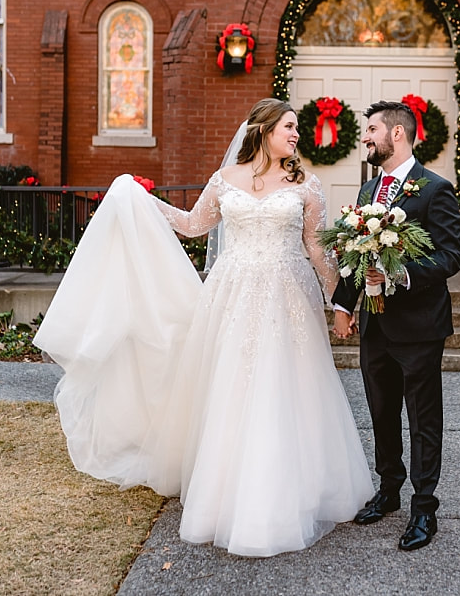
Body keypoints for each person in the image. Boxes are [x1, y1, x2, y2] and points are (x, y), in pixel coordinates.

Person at [34, 98, 373, 558]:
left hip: (287, 299)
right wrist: (140, 199)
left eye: (297, 128)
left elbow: (317, 250)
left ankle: (294, 488)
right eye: (289, 126)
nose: (297, 134)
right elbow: (194, 226)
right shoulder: (225, 180)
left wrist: (340, 302)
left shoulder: (305, 184)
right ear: (264, 130)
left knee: (291, 387)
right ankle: (225, 489)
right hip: (231, 298)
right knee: (232, 387)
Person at [331, 100, 460, 551]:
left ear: (397, 135)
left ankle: (424, 507)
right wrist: (344, 304)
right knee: (382, 413)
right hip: (375, 326)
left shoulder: (434, 189)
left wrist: (401, 275)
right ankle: (388, 491)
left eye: (371, 130)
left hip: (419, 327)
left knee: (423, 419)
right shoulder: (368, 193)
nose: (365, 137)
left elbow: (450, 256)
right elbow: (356, 252)